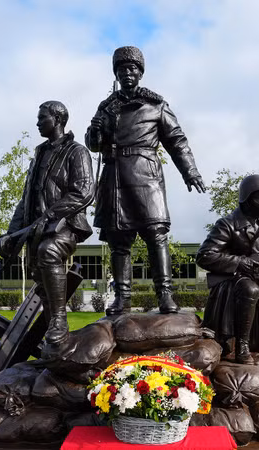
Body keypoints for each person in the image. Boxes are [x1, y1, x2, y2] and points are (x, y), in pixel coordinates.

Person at [85, 45, 205, 316]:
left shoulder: (156, 105)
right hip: (114, 176)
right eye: (122, 69)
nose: (127, 73)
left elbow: (177, 141)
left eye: (132, 69)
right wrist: (95, 131)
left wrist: (190, 171)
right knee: (119, 241)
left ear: (140, 73)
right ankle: (122, 298)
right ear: (116, 74)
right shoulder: (106, 108)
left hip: (146, 175)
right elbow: (94, 144)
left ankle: (165, 295)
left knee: (156, 235)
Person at [0, 100, 93, 345]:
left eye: (43, 118)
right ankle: (57, 344)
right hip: (35, 231)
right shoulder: (39, 155)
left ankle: (60, 320)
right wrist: (11, 235)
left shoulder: (77, 151)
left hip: (64, 226)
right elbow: (25, 201)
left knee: (48, 252)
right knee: (43, 284)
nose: (38, 122)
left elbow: (84, 192)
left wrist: (50, 215)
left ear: (58, 120)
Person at [196, 175, 259, 364]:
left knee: (255, 288)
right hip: (233, 283)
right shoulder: (227, 224)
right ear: (246, 198)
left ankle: (251, 344)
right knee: (249, 289)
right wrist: (237, 261)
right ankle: (241, 347)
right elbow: (205, 255)